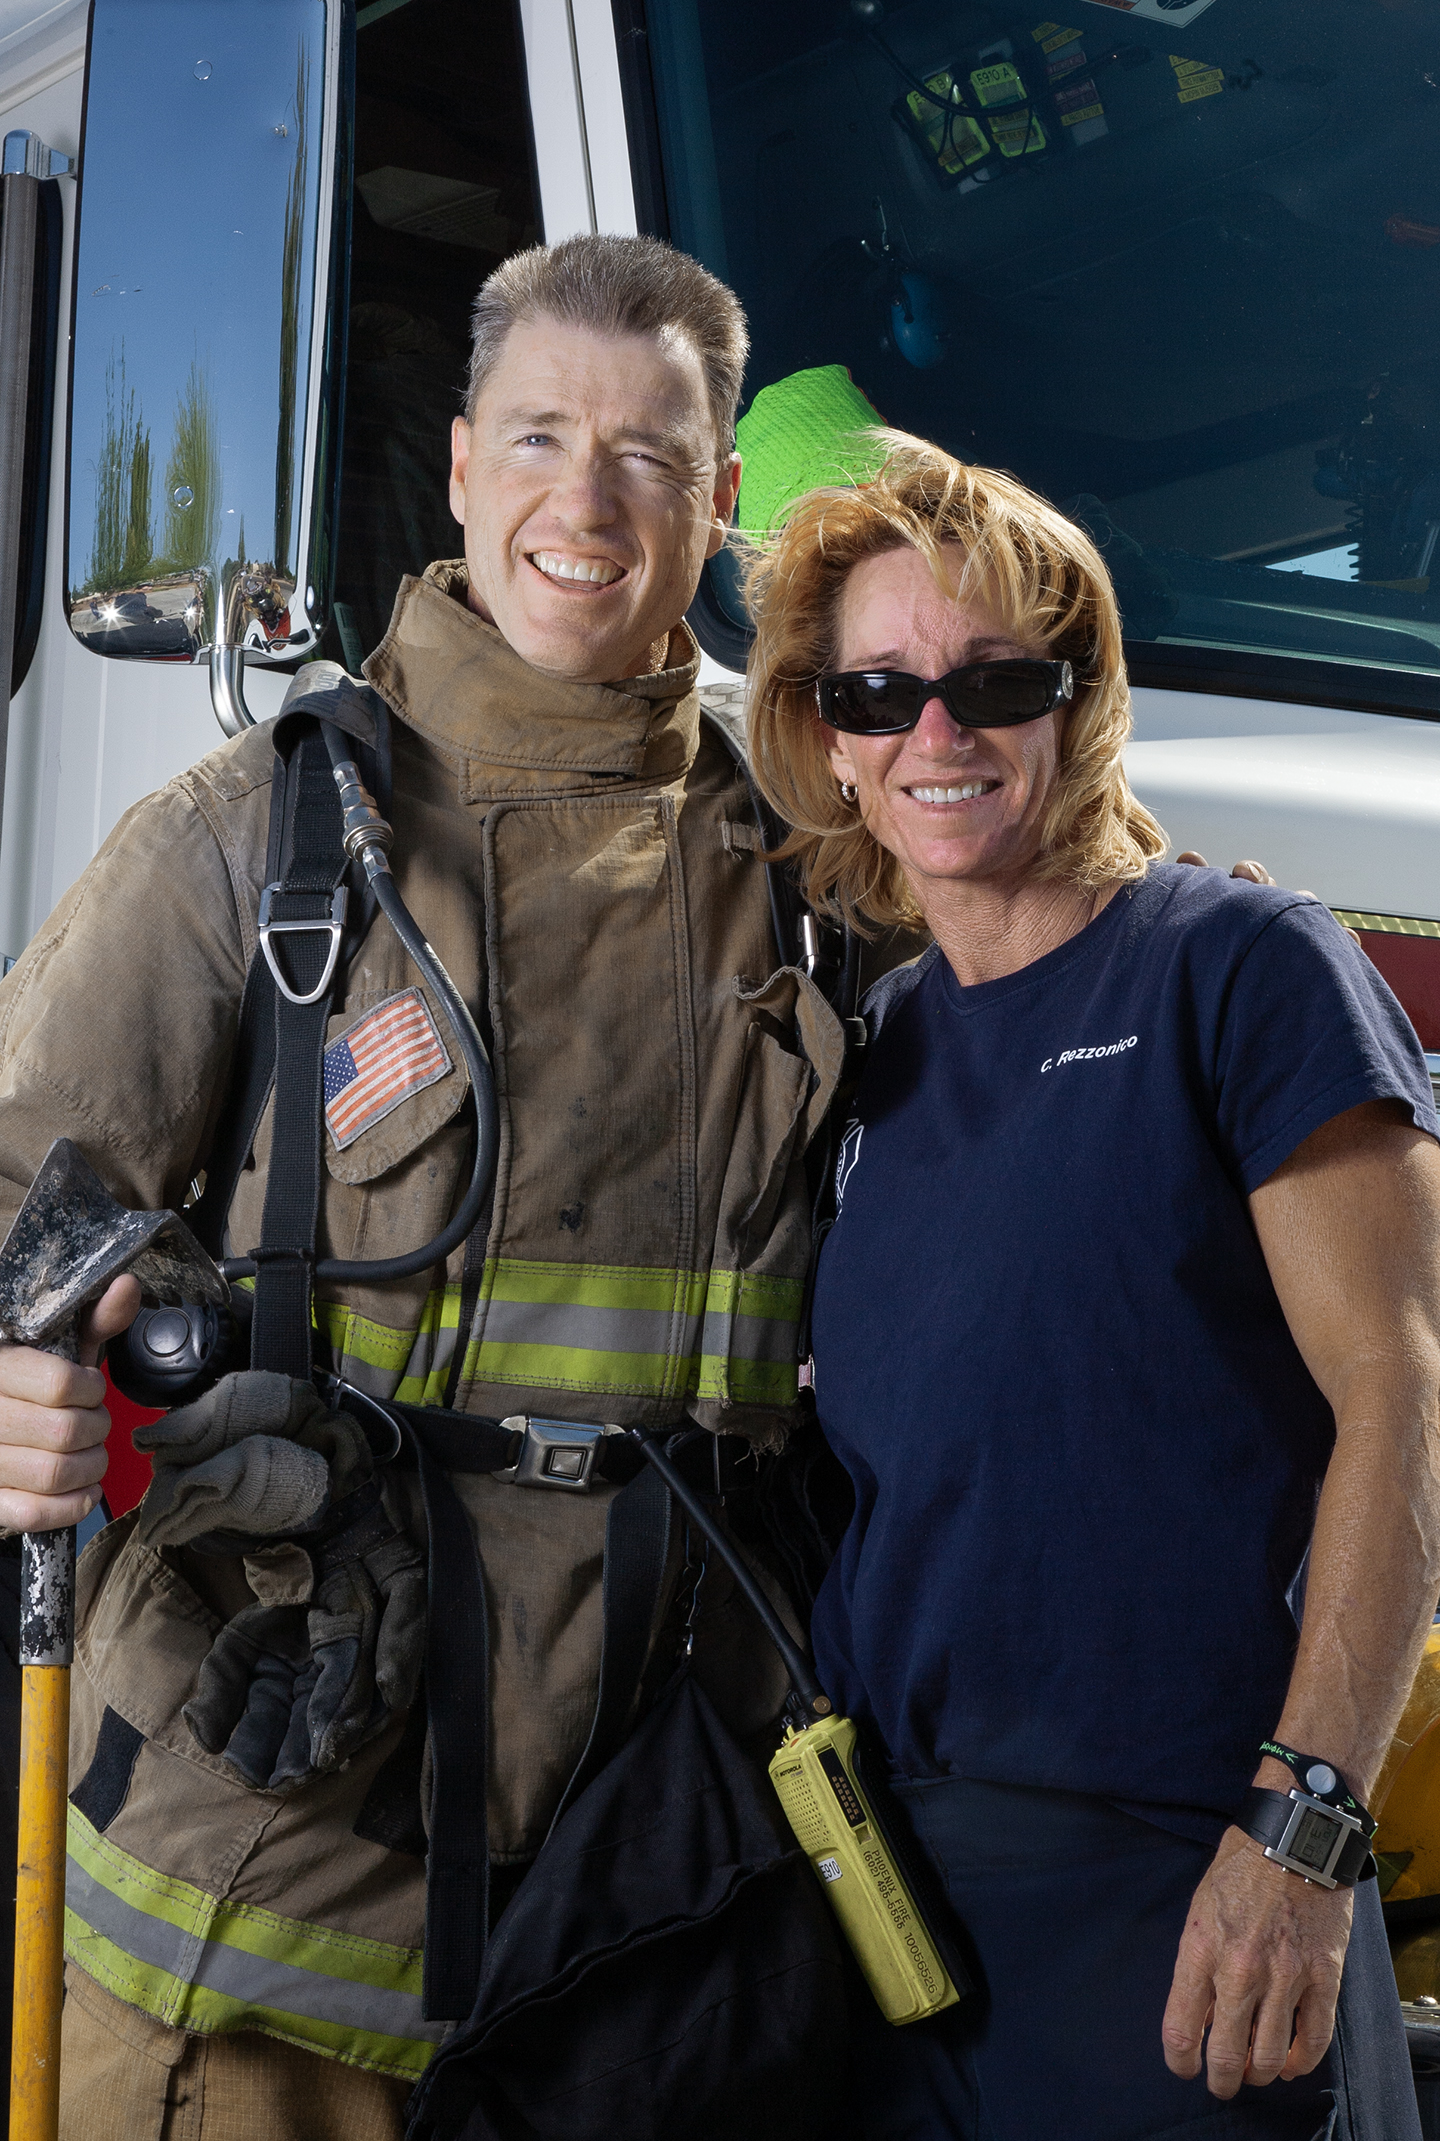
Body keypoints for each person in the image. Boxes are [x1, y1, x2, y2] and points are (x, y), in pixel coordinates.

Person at [0, 234, 849, 2140]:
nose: (585, 501)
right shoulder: (266, 835)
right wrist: (21, 1374)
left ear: (720, 500)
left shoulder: (807, 869)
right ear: (461, 466)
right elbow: (7, 1196)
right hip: (274, 1857)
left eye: (648, 454)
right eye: (539, 435)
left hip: (656, 1889)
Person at [744, 432, 1440, 2139]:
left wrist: (1299, 1837)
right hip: (906, 1912)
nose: (937, 734)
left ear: (1077, 701)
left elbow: (1407, 1402)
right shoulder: (876, 1053)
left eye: (996, 681)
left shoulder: (1242, 969)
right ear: (827, 740)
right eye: (878, 692)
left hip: (1198, 1892)